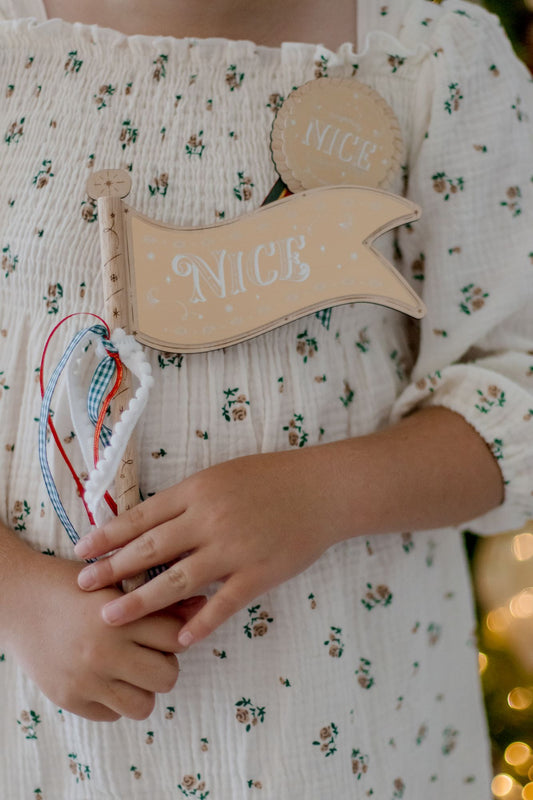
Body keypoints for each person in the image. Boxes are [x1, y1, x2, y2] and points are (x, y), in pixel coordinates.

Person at [1, 0, 532, 796]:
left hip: (341, 735)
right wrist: (18, 597)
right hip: (43, 740)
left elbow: (515, 383)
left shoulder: (427, 59)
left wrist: (324, 494)